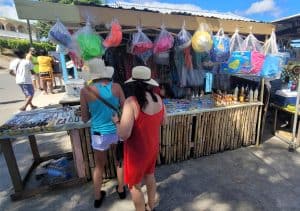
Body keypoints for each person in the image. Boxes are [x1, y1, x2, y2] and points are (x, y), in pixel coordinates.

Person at [112, 66, 166, 211]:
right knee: (150, 176)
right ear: (149, 83)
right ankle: (151, 207)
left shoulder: (131, 102)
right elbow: (164, 121)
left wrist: (117, 122)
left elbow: (124, 134)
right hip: (152, 147)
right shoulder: (159, 100)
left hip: (136, 153)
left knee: (134, 186)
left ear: (133, 84)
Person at [80, 58, 126, 208]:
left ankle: (97, 197)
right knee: (119, 161)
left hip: (99, 133)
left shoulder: (85, 91)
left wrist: (95, 111)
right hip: (116, 130)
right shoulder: (117, 87)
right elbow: (125, 109)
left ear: (92, 75)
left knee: (99, 166)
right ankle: (121, 190)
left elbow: (85, 118)